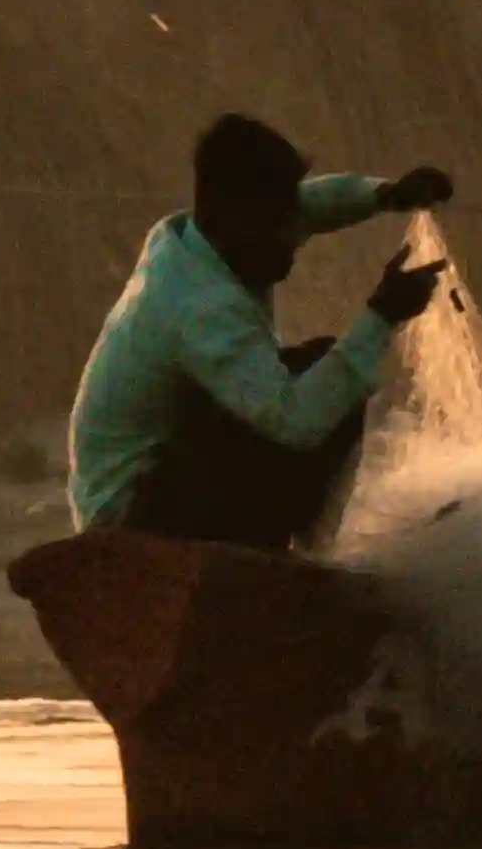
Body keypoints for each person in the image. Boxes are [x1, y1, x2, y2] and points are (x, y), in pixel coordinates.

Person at [66, 111, 454, 554]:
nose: (293, 237)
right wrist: (383, 314)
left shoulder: (196, 238)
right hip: (132, 515)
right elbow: (298, 421)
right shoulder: (201, 306)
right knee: (328, 391)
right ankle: (303, 557)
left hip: (148, 483)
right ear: (223, 218)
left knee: (321, 373)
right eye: (278, 225)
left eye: (289, 217)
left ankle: (298, 552)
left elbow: (310, 204)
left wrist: (386, 195)